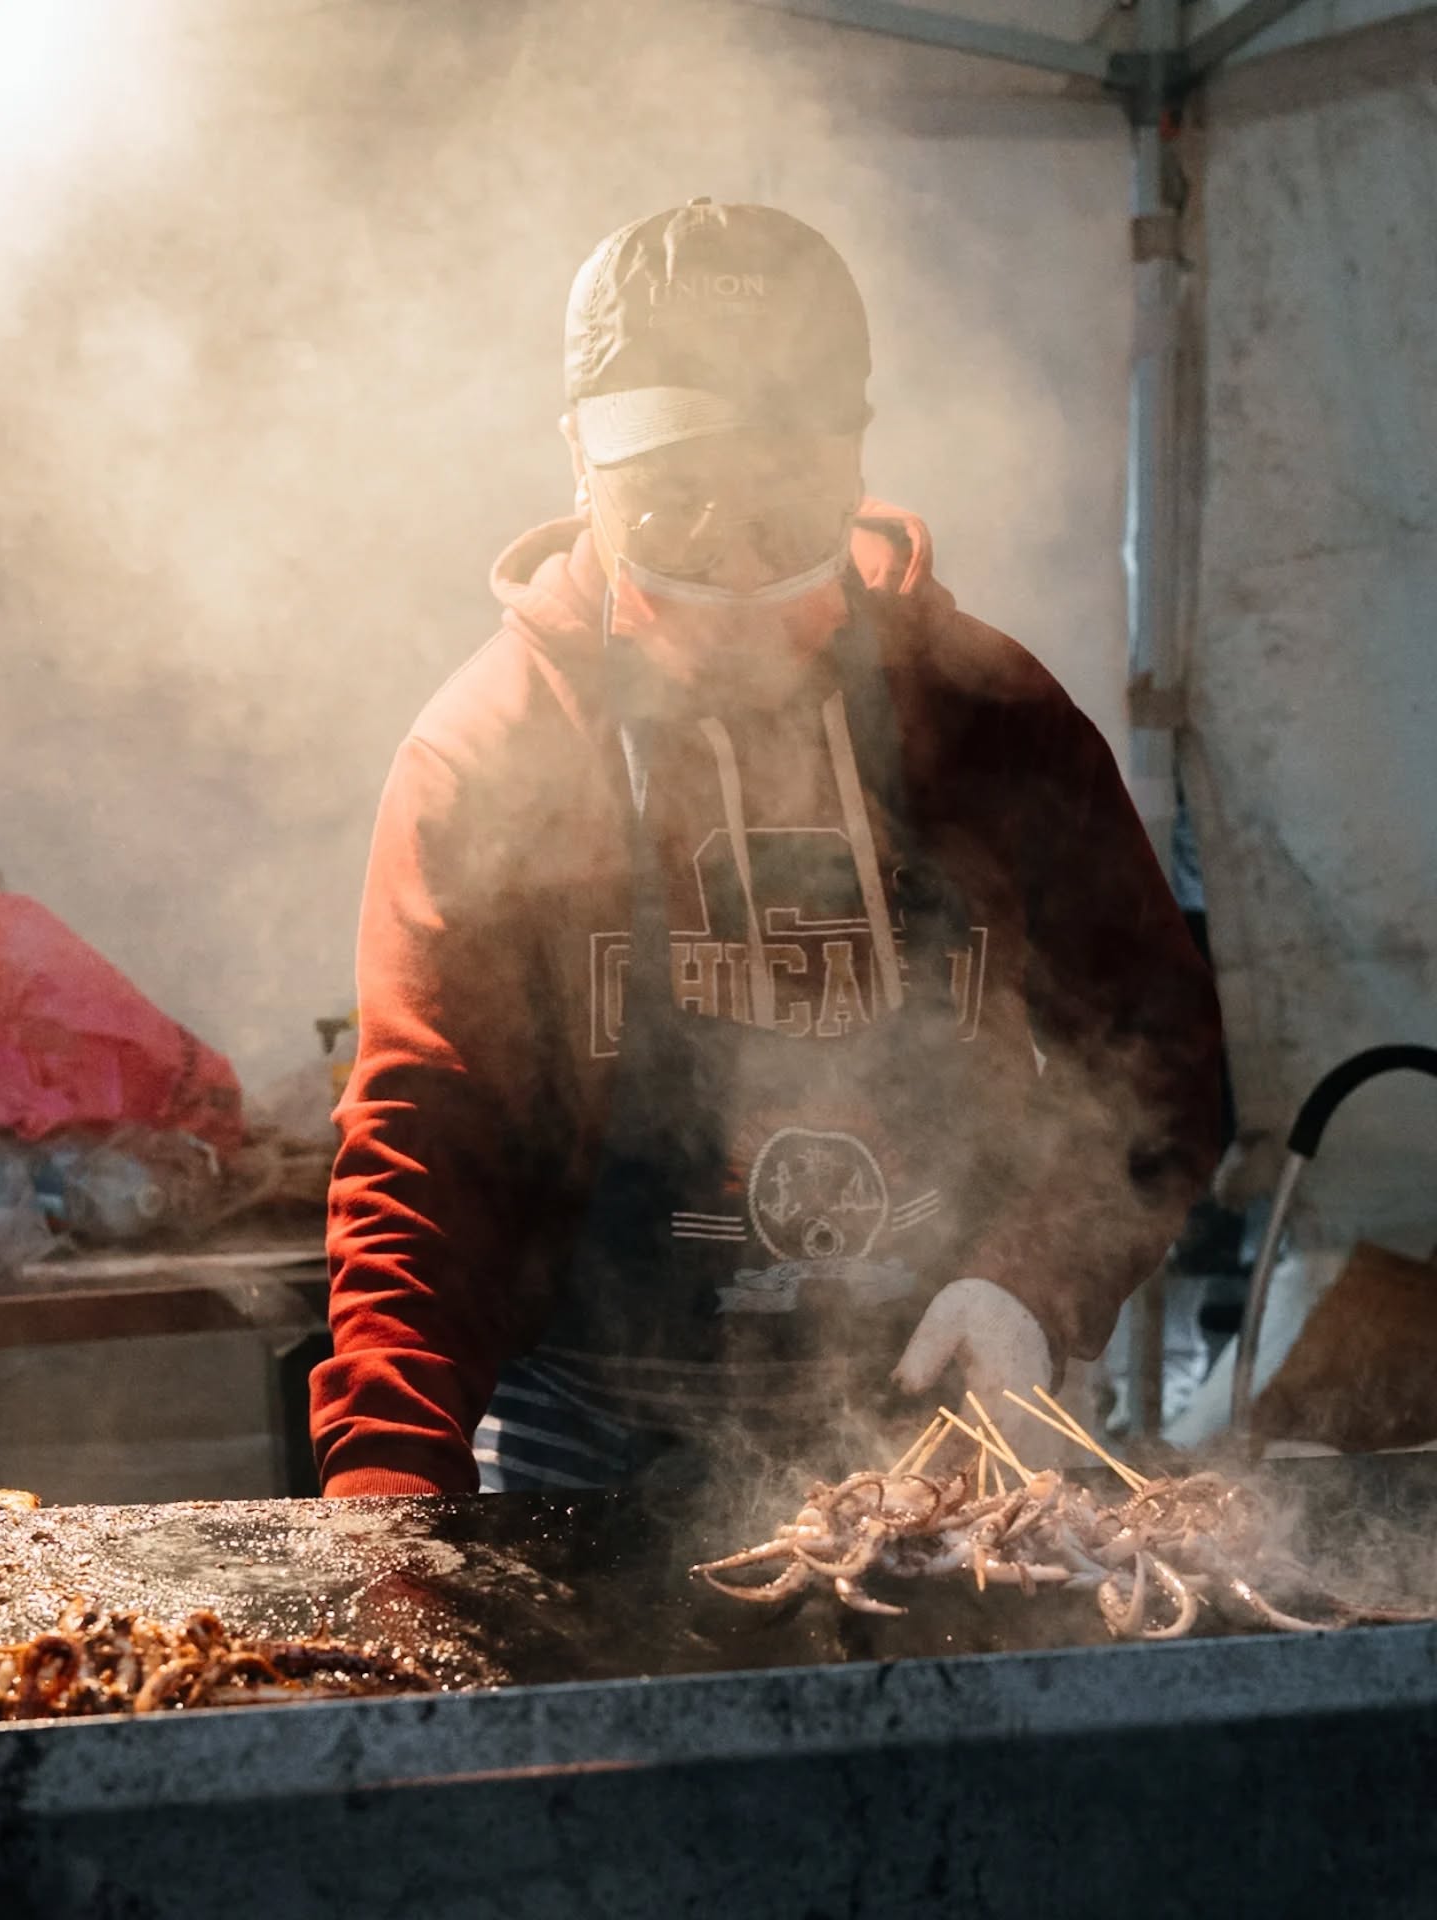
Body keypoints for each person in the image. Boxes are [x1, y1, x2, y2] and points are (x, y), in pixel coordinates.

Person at [311, 199, 1222, 1497]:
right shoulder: (495, 752)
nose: (733, 565)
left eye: (784, 505)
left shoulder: (992, 721)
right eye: (673, 505)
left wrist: (1030, 1284)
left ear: (852, 463)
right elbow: (422, 1155)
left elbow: (1158, 1055)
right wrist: (391, 1508)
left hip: (937, 1394)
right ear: (582, 464)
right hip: (591, 1426)